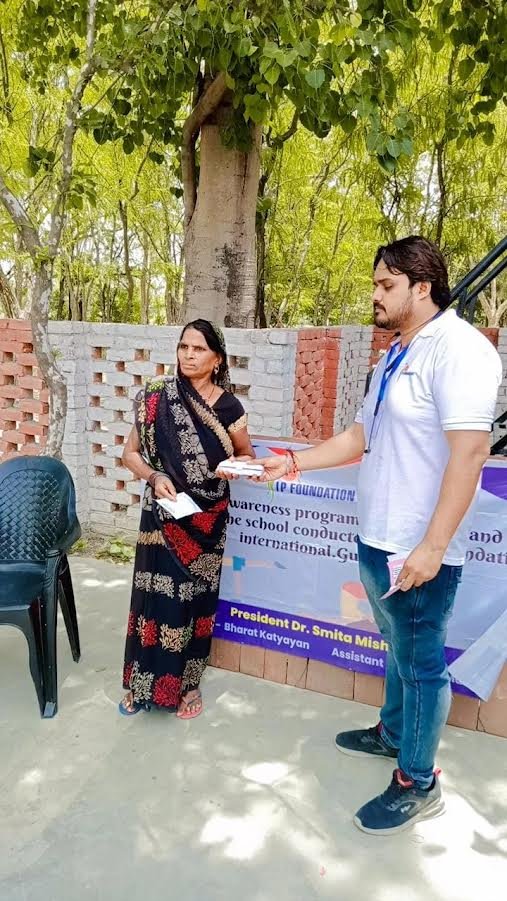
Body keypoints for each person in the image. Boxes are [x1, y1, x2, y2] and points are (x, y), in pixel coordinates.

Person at [255, 236, 502, 835]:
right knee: (397, 647)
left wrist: (433, 548)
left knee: (421, 665)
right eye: (375, 284)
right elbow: (358, 437)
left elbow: (470, 453)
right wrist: (293, 462)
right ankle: (393, 732)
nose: (376, 295)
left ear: (423, 287)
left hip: (419, 550)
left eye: (386, 285)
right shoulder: (394, 354)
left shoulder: (460, 350)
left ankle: (418, 781)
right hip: (378, 538)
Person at [119, 319, 254, 719]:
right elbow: (130, 454)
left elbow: (246, 455)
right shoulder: (157, 396)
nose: (189, 355)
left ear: (217, 359)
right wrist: (154, 476)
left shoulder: (229, 407)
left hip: (207, 520)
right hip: (162, 515)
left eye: (199, 349)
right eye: (184, 347)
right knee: (154, 599)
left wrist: (233, 467)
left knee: (193, 601)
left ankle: (188, 685)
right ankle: (141, 682)